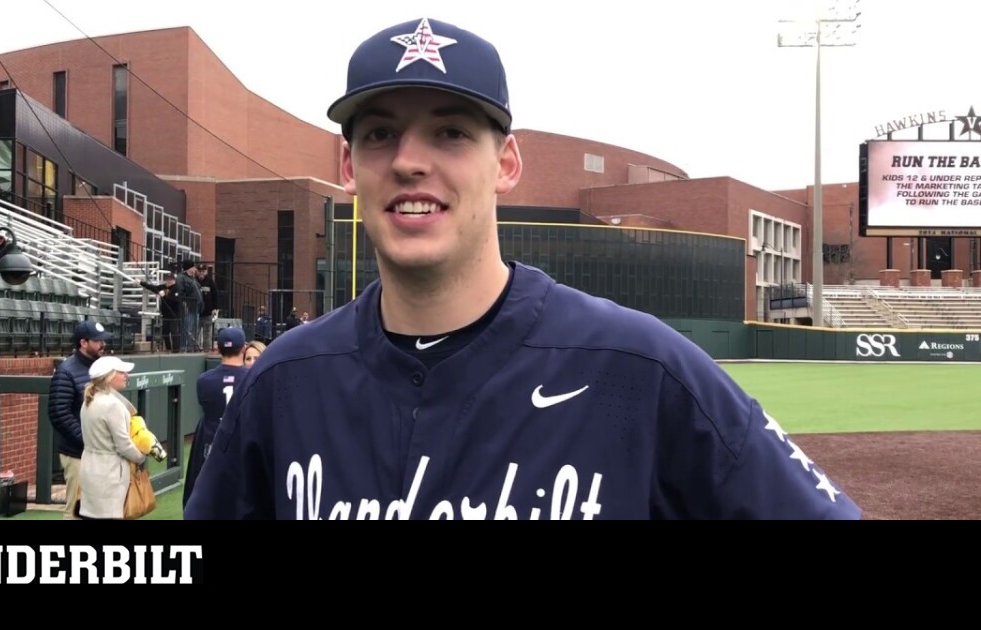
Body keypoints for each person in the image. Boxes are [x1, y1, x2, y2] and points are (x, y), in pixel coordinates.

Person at [185, 17, 861, 520]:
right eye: (380, 134)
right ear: (347, 166)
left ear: (505, 163)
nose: (410, 160)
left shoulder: (643, 369)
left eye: (450, 132)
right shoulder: (284, 383)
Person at [48, 320, 111, 520]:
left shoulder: (102, 369)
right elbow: (59, 414)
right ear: (83, 343)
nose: (103, 345)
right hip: (77, 453)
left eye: (103, 340)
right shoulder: (67, 371)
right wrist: (87, 439)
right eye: (97, 341)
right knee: (76, 510)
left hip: (99, 452)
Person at [182, 327, 251, 510]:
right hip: (242, 445)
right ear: (243, 348)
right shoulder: (252, 378)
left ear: (219, 349)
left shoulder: (204, 380)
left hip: (211, 446)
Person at [77, 355, 147, 520]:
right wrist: (141, 456)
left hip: (90, 468)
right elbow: (124, 445)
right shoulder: (112, 405)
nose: (126, 376)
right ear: (109, 377)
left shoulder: (89, 399)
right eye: (121, 372)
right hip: (109, 474)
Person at [140, 271, 183, 352]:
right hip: (165, 314)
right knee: (165, 332)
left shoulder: (177, 288)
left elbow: (176, 300)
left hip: (174, 314)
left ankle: (176, 350)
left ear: (174, 280)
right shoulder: (163, 287)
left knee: (175, 333)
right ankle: (168, 348)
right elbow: (153, 288)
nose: (169, 281)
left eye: (171, 279)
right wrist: (141, 282)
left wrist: (165, 296)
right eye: (167, 279)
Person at [196, 264, 221, 352]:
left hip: (207, 312)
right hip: (196, 312)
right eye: (200, 271)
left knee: (207, 333)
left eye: (203, 271)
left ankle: (206, 350)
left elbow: (215, 295)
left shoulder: (210, 282)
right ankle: (195, 349)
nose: (201, 273)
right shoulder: (194, 281)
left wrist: (215, 308)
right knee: (195, 333)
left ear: (206, 272)